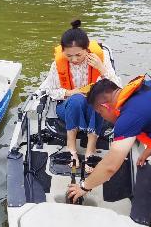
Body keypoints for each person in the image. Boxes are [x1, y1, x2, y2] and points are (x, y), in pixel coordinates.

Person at [38, 19, 120, 172]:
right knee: (76, 100)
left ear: (87, 49)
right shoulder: (58, 64)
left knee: (98, 100)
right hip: (68, 106)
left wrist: (101, 68)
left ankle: (90, 150)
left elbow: (117, 88)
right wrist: (71, 92)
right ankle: (71, 149)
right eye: (69, 56)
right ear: (63, 51)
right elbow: (50, 90)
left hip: (95, 106)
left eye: (78, 55)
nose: (74, 60)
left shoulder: (100, 59)